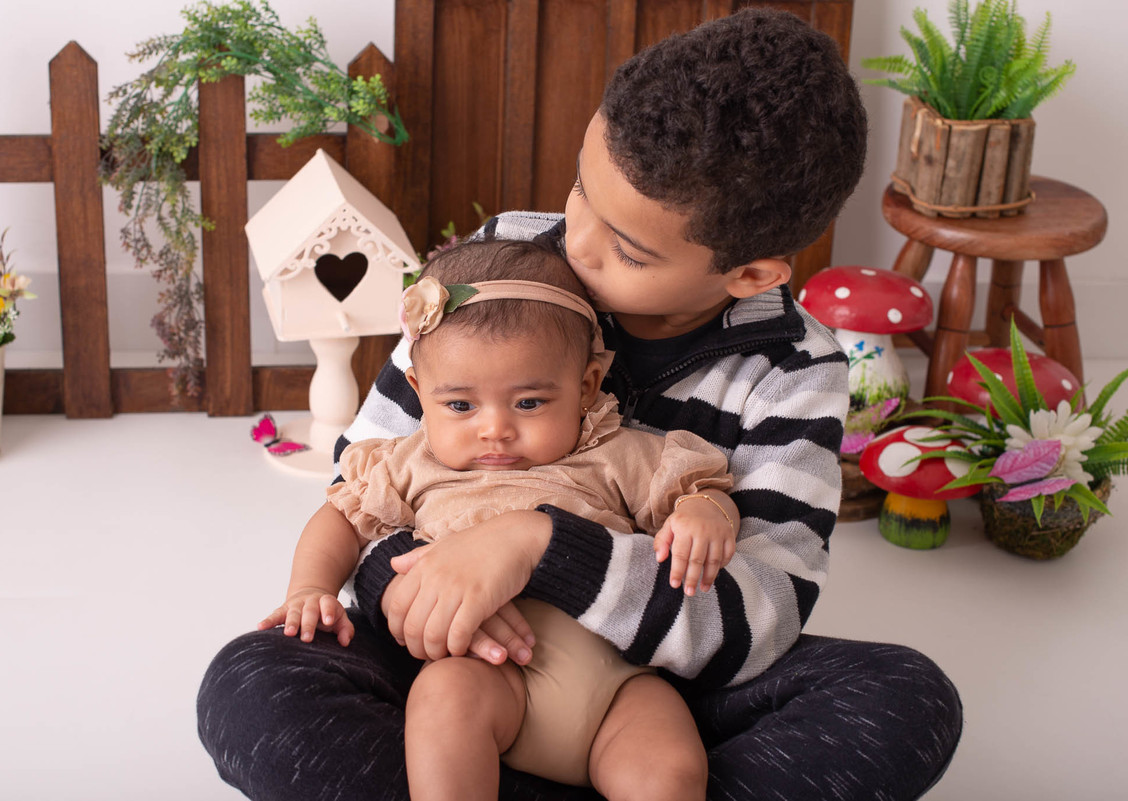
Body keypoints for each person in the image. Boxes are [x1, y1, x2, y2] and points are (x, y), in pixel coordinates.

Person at [198, 9, 963, 800]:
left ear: (750, 275)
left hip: (648, 680)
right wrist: (426, 582)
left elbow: (757, 623)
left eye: (628, 249)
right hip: (449, 648)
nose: (578, 241)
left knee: (904, 701)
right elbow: (364, 478)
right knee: (251, 687)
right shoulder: (504, 263)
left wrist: (539, 547)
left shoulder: (793, 370)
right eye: (580, 191)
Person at [258, 238, 741, 799]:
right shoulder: (410, 463)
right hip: (486, 677)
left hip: (618, 684)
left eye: (529, 403)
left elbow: (699, 488)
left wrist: (705, 512)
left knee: (671, 768)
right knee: (444, 699)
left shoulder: (615, 453)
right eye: (460, 406)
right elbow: (342, 517)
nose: (494, 430)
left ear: (585, 386)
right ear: (419, 392)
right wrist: (310, 588)